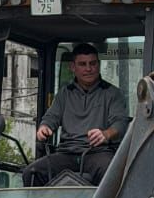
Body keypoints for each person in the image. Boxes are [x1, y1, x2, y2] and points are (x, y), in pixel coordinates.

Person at [24, 43, 128, 186]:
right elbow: (51, 117)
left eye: (92, 63)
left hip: (98, 152)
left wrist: (105, 134)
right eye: (82, 64)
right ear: (73, 67)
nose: (88, 68)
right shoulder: (64, 93)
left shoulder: (112, 93)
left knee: (112, 173)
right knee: (32, 173)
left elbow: (120, 123)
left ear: (98, 64)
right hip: (67, 153)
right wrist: (44, 127)